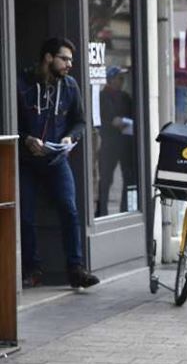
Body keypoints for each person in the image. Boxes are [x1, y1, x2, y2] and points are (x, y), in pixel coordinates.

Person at [17, 37, 99, 289]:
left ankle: (75, 269)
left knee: (69, 209)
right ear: (48, 58)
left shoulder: (71, 86)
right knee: (25, 216)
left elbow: (81, 121)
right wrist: (26, 139)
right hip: (26, 161)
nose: (69, 64)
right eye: (64, 59)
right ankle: (32, 270)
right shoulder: (21, 84)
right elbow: (9, 122)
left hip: (57, 159)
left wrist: (69, 137)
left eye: (71, 60)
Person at [96, 66, 136, 217]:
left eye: (123, 79)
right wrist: (110, 123)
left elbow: (135, 116)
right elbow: (97, 120)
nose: (122, 81)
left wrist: (126, 122)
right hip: (109, 142)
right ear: (111, 80)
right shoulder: (101, 97)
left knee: (129, 177)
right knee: (105, 179)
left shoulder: (126, 97)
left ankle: (126, 209)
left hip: (126, 142)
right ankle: (101, 212)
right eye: (119, 78)